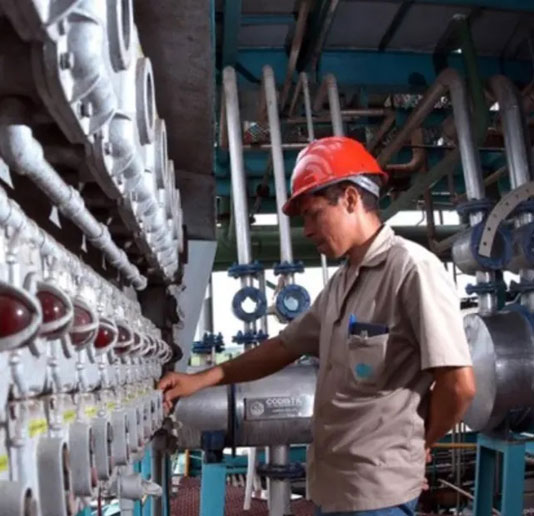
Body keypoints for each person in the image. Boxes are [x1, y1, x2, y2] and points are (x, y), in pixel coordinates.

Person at [159, 136, 476, 515]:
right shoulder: (343, 281)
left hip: (378, 494)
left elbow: (459, 385)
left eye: (312, 213)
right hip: (334, 487)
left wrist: (422, 443)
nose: (306, 230)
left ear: (351, 199)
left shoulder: (412, 269)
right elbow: (284, 347)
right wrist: (199, 379)